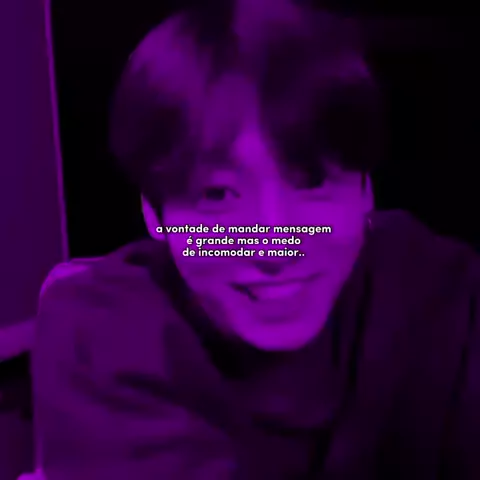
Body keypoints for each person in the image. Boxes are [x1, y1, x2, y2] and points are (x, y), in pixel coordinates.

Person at [32, 0, 480, 478]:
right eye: (217, 195)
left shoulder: (440, 289)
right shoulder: (99, 329)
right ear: (153, 212)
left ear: (367, 189)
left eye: (312, 181)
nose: (274, 245)